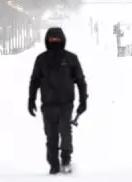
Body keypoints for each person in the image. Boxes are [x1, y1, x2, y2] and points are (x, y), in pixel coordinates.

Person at [28, 27, 88, 175]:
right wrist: (31, 99)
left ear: (62, 40)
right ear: (47, 41)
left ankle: (66, 159)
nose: (54, 42)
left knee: (65, 133)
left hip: (66, 104)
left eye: (57, 40)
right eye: (52, 40)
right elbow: (34, 81)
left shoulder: (71, 59)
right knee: (51, 136)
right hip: (48, 105)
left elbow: (80, 81)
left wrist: (83, 100)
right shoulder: (41, 59)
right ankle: (54, 164)